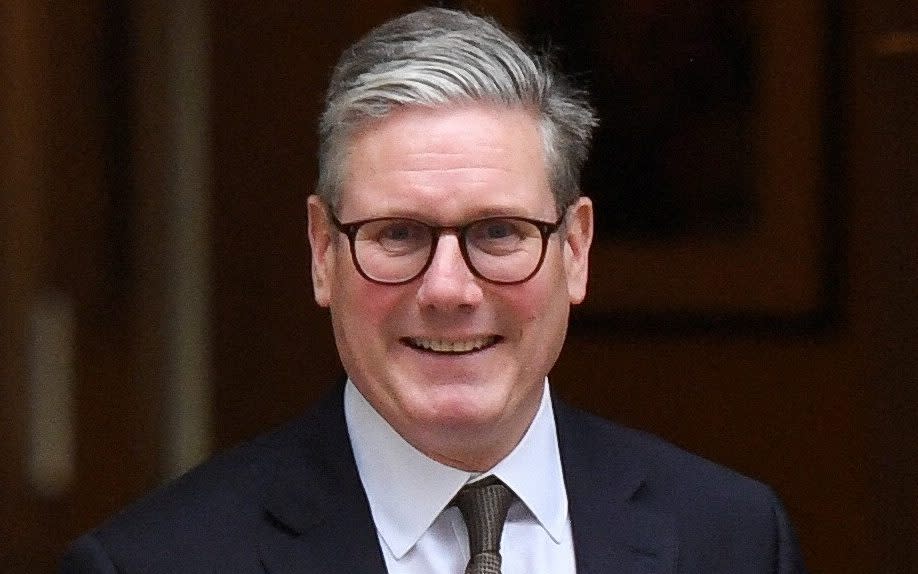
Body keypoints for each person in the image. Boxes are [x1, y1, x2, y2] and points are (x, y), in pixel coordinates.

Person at [61, 7, 807, 573]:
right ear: (323, 252)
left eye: (498, 233)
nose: (448, 289)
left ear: (575, 249)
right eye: (398, 235)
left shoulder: (733, 536)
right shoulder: (153, 562)